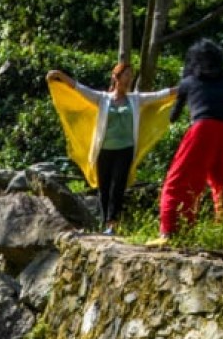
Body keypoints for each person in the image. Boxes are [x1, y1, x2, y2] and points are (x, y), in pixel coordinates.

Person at [47, 64, 177, 234]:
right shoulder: (102, 98)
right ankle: (104, 223)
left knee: (118, 186)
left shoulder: (136, 99)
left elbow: (160, 95)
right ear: (116, 77)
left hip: (126, 149)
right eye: (126, 75)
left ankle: (112, 224)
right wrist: (60, 76)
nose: (129, 79)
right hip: (104, 149)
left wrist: (185, 87)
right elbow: (79, 88)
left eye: (131, 76)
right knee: (104, 188)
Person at [157, 39, 223, 239]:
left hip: (204, 128)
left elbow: (174, 116)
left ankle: (170, 230)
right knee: (222, 184)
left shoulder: (188, 82)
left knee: (178, 180)